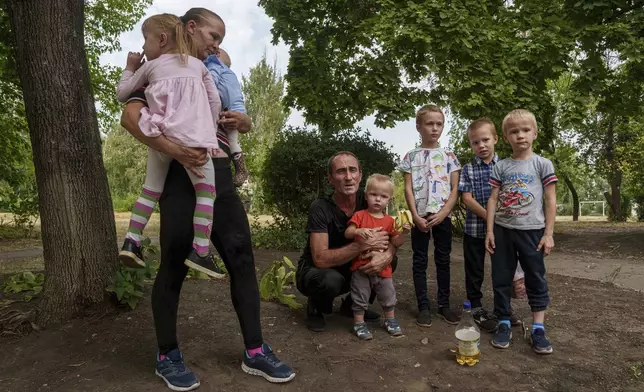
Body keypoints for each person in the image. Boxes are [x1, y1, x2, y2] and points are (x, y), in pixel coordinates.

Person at [120, 8, 294, 391]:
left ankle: (255, 350)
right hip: (180, 175)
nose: (217, 46)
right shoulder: (158, 65)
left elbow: (234, 116)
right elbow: (131, 117)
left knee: (242, 257)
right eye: (213, 37)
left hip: (218, 172)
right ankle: (168, 355)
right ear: (192, 28)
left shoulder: (212, 71)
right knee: (174, 262)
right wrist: (175, 150)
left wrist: (244, 122)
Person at [116, 13, 223, 278]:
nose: (142, 48)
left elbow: (122, 93)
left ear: (162, 40)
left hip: (160, 135)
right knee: (206, 193)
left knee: (150, 190)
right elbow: (216, 103)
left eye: (145, 40)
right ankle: (200, 251)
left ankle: (132, 240)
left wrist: (130, 66)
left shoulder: (150, 67)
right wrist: (207, 136)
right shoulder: (199, 67)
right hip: (192, 140)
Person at [296, 152, 399, 332]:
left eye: (353, 170)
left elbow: (391, 237)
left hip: (352, 264)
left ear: (360, 175)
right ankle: (316, 308)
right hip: (318, 270)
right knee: (329, 280)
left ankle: (353, 305)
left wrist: (388, 255)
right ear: (330, 179)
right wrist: (362, 245)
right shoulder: (320, 208)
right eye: (341, 172)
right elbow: (320, 259)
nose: (348, 177)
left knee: (388, 260)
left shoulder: (369, 199)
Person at [485, 109, 557, 355]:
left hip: (532, 232)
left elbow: (550, 199)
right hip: (503, 231)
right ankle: (503, 321)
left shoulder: (542, 164)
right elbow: (493, 199)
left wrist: (548, 233)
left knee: (536, 277)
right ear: (505, 137)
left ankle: (538, 327)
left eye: (526, 130)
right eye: (514, 132)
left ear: (535, 133)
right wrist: (490, 231)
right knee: (501, 278)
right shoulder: (501, 166)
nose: (520, 135)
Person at [399, 104, 461, 327]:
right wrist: (415, 216)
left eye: (439, 124)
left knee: (443, 260)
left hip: (442, 217)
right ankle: (423, 306)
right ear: (418, 127)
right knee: (420, 260)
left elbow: (455, 189)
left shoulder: (449, 157)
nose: (435, 128)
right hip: (420, 218)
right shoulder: (410, 156)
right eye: (430, 124)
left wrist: (444, 213)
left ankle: (443, 305)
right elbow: (408, 188)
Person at [344, 174, 410, 340]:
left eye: (383, 196)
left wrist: (404, 233)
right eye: (374, 195)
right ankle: (359, 323)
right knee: (360, 296)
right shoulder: (360, 215)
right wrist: (358, 230)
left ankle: (390, 320)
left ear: (389, 200)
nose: (378, 199)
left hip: (383, 269)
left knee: (388, 295)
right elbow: (348, 232)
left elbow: (396, 242)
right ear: (366, 196)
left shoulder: (389, 221)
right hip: (361, 267)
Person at [204, 47, 249, 187]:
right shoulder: (231, 74)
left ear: (216, 56)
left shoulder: (214, 65)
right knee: (233, 140)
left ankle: (241, 169)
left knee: (230, 138)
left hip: (227, 111)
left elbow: (210, 82)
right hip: (236, 109)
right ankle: (241, 169)